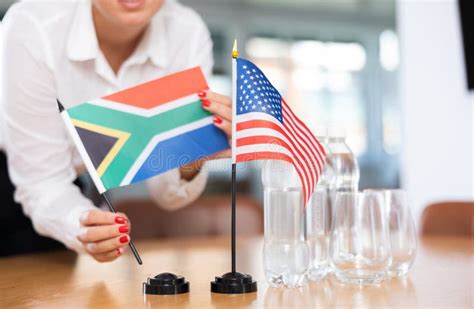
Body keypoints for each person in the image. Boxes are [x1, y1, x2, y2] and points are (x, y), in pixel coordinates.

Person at [1, 0, 231, 262]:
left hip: (69, 186)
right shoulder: (34, 25)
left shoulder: (187, 34)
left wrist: (194, 153)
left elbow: (167, 193)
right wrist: (82, 225)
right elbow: (41, 181)